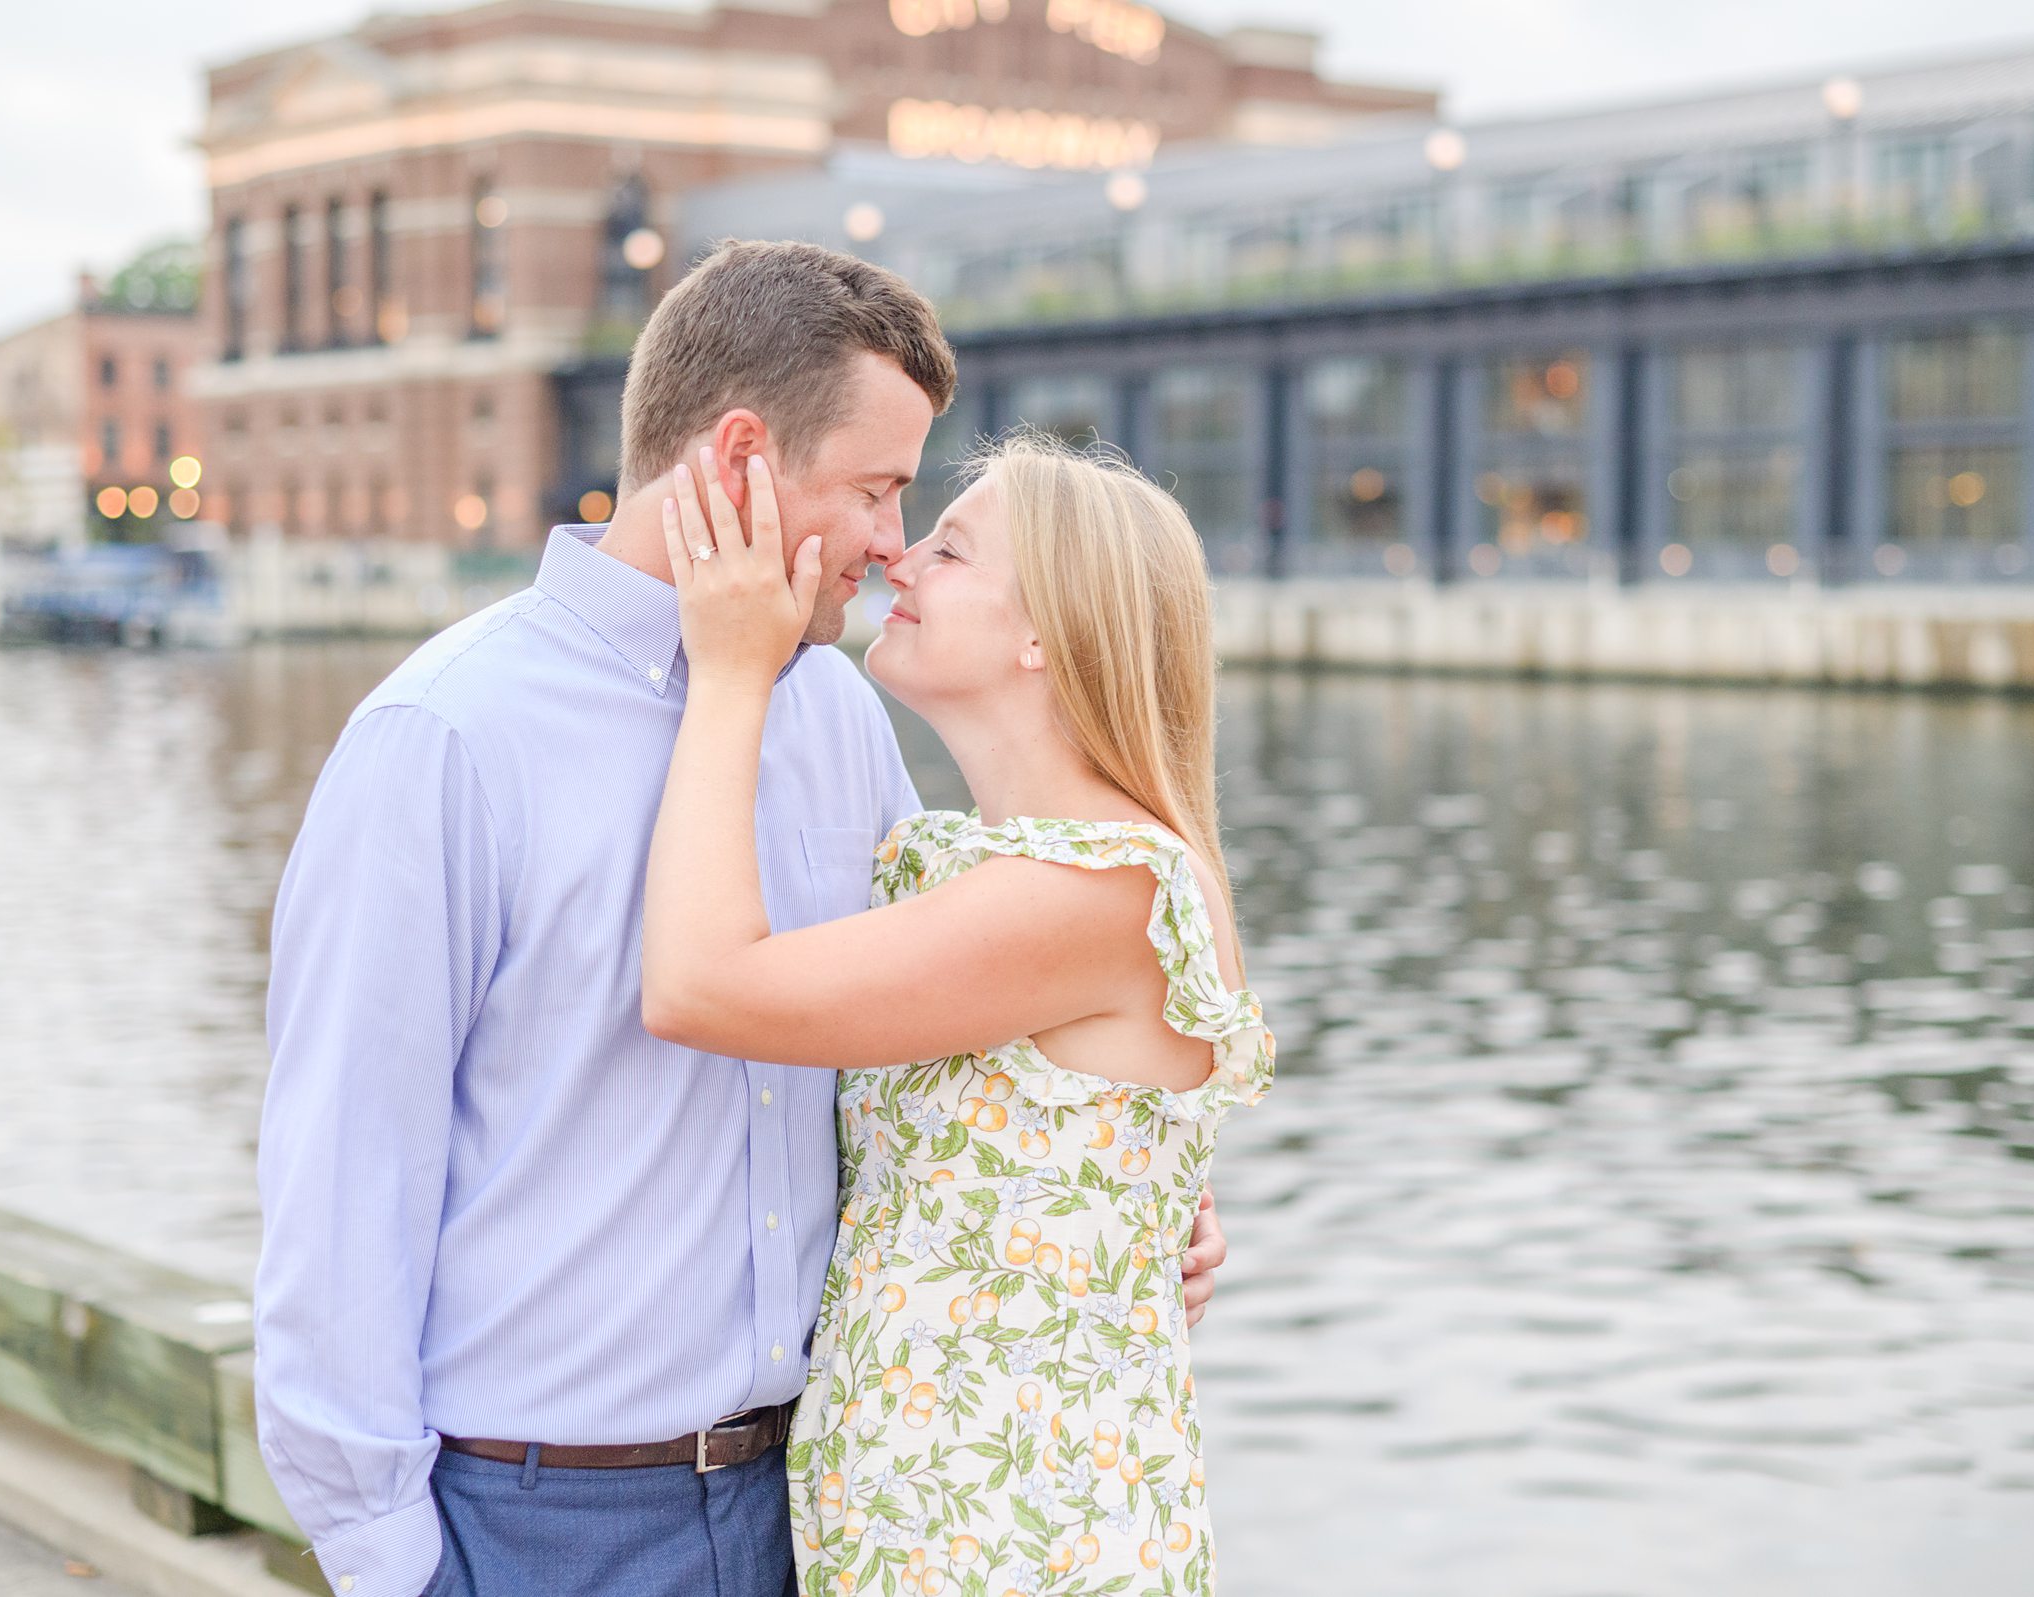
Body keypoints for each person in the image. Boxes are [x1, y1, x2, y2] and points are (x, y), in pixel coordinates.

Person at [253, 242, 1228, 1597]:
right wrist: (390, 1561)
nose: (894, 543)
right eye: (881, 491)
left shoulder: (833, 711)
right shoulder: (446, 738)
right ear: (743, 459)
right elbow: (343, 1172)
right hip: (541, 1519)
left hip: (820, 1509)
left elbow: (952, 1035)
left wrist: (1123, 1198)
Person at [637, 427, 1274, 1597]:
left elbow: (700, 986)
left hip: (1025, 1540)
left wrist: (727, 673)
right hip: (928, 1526)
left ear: (1048, 632)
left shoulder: (1101, 890)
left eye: (952, 550)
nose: (900, 560)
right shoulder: (983, 866)